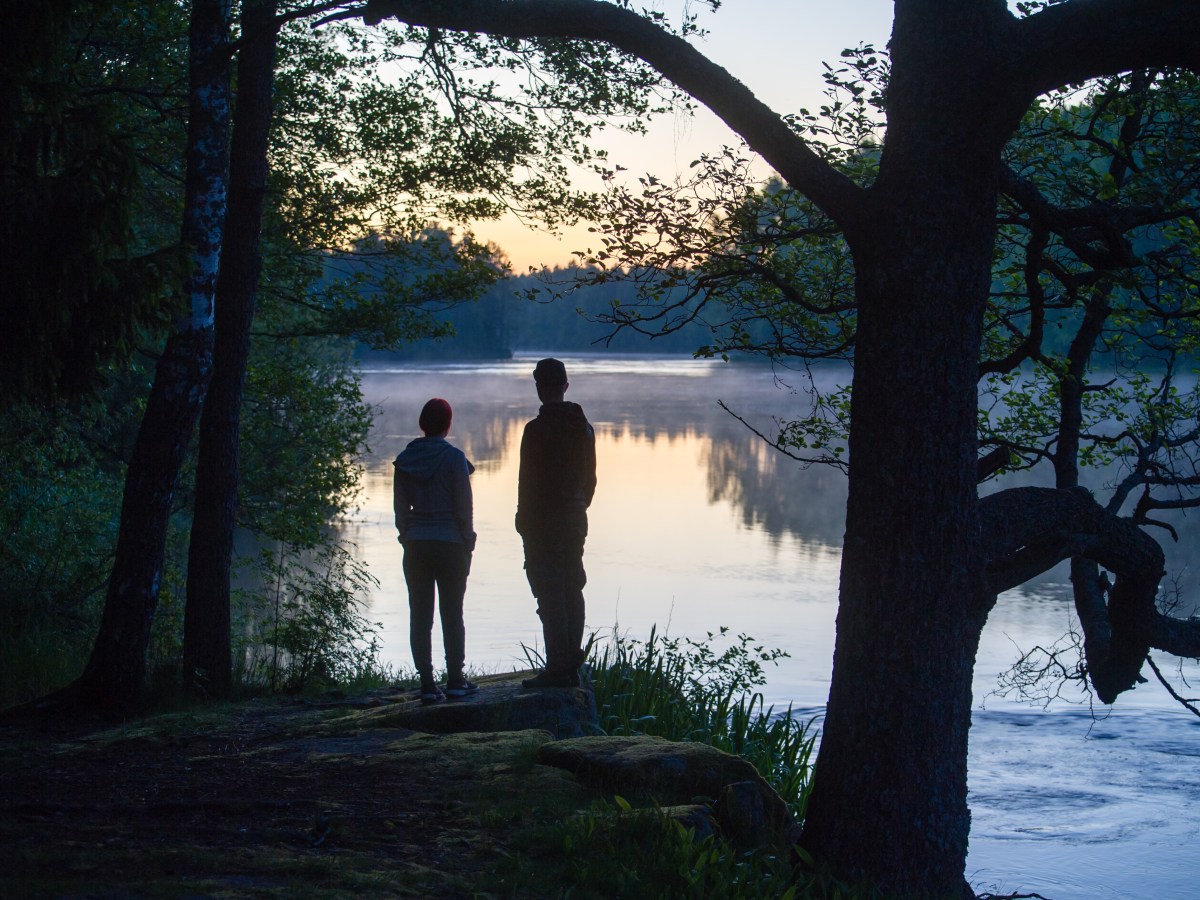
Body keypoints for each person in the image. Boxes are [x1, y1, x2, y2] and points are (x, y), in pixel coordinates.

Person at [516, 358, 597, 689]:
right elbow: (591, 479)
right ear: (565, 386)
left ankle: (557, 668)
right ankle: (570, 663)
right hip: (575, 517)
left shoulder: (534, 431)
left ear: (538, 388)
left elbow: (527, 482)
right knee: (572, 585)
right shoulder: (584, 427)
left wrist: (524, 520)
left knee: (549, 591)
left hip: (542, 522)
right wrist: (579, 505)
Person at [394, 398, 478, 704]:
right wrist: (468, 540)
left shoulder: (404, 460)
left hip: (416, 544)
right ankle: (455, 679)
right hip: (451, 544)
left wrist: (407, 536)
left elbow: (400, 511)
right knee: (452, 612)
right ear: (448, 424)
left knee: (420, 614)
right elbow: (464, 507)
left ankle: (428, 684)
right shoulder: (455, 459)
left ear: (422, 424)